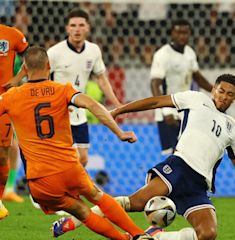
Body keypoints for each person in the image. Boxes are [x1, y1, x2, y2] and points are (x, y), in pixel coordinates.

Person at [56, 74, 235, 240]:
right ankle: (73, 221)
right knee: (134, 202)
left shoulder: (233, 127)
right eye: (221, 90)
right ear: (213, 89)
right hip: (178, 168)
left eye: (230, 94)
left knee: (208, 234)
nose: (223, 96)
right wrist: (120, 110)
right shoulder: (196, 99)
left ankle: (157, 236)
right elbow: (155, 102)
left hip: (198, 185)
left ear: (234, 98)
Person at [0, 46, 154, 240]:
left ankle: (124, 239)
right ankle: (138, 234)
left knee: (82, 212)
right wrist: (119, 132)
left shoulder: (10, 97)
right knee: (99, 197)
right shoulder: (63, 90)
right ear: (48, 65)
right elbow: (92, 104)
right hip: (69, 169)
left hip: (41, 179)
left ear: (25, 67)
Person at [47, 8, 122, 167]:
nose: (77, 29)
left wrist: (117, 104)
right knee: (68, 158)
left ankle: (69, 190)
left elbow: (101, 79)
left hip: (79, 111)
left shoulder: (93, 50)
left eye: (81, 25)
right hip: (59, 112)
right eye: (73, 25)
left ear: (88, 27)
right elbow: (42, 79)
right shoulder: (54, 53)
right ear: (67, 28)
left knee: (83, 159)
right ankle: (60, 190)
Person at [150, 19, 212, 155]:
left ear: (190, 34)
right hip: (168, 112)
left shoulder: (190, 52)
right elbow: (155, 84)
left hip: (185, 109)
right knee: (176, 154)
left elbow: (197, 77)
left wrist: (214, 90)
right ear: (172, 33)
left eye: (185, 33)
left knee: (186, 152)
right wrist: (165, 110)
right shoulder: (162, 55)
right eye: (178, 32)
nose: (182, 36)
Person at [0, 24, 28, 219]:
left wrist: (17, 78)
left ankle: (2, 196)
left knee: (3, 154)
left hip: (4, 99)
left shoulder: (12, 34)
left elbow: (33, 57)